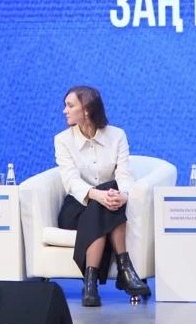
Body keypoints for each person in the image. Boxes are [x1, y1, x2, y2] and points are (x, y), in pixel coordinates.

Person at [55, 85, 150, 307]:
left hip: (109, 204)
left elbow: (124, 173)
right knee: (104, 199)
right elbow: (70, 180)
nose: (65, 111)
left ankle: (90, 284)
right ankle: (125, 270)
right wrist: (97, 195)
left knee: (110, 194)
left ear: (87, 109)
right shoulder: (62, 140)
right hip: (77, 207)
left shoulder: (117, 136)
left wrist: (124, 195)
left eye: (70, 106)